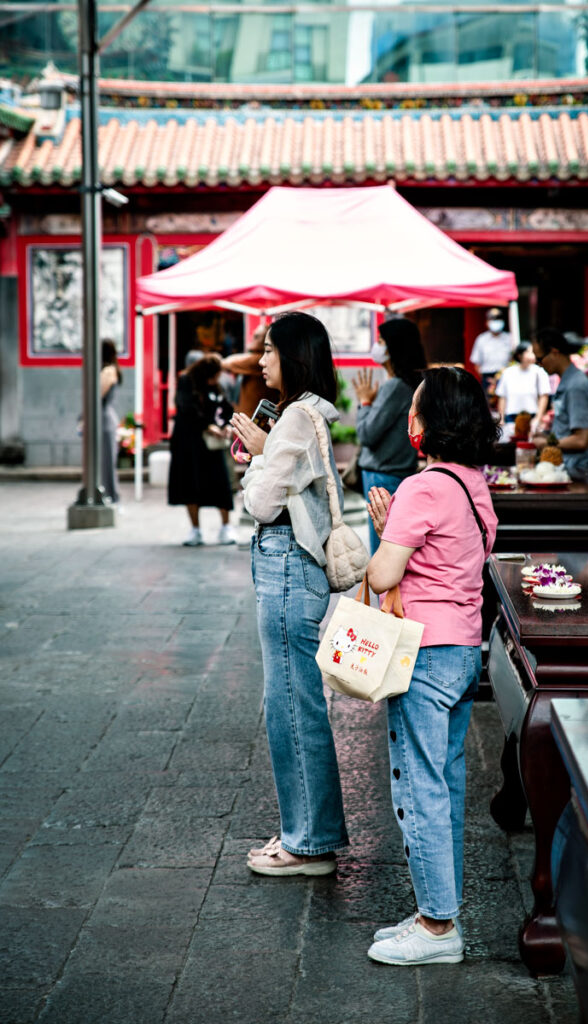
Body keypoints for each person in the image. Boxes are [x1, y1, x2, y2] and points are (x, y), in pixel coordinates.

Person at [364, 366, 498, 967]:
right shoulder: (473, 483)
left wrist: (385, 529)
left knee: (420, 787)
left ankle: (439, 928)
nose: (408, 419)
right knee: (445, 782)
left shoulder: (422, 487)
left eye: (415, 409)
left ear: (428, 422)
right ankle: (434, 910)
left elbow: (383, 574)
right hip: (464, 650)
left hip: (423, 652)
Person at [230, 311, 349, 876]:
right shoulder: (309, 416)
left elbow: (259, 503)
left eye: (271, 351)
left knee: (291, 705)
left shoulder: (298, 418)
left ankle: (309, 843)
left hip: (284, 562)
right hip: (294, 566)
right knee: (295, 700)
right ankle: (308, 834)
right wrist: (263, 450)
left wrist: (258, 454)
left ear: (295, 356)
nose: (262, 361)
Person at [352, 318, 425, 554]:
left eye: (381, 341)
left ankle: (384, 594)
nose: (377, 346)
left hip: (383, 476)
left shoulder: (394, 386)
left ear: (394, 347)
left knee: (383, 549)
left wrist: (364, 402)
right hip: (396, 473)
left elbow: (367, 434)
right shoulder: (409, 384)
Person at [168, 354, 236, 546]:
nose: (216, 380)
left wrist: (227, 425)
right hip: (188, 442)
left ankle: (226, 527)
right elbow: (185, 408)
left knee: (220, 483)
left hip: (210, 443)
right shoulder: (186, 381)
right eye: (214, 376)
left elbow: (226, 408)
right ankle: (195, 530)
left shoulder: (215, 386)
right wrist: (209, 426)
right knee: (190, 484)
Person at [531, 328, 588, 481]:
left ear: (555, 352)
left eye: (540, 359)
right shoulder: (569, 382)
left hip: (574, 471)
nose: (538, 364)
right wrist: (545, 435)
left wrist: (545, 443)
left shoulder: (576, 386)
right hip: (566, 469)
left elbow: (581, 440)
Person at [222, 324, 280, 417]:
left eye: (257, 337)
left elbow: (226, 363)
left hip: (252, 416)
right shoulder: (257, 358)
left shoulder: (257, 359)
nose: (253, 339)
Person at [496, 341, 551, 437]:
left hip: (532, 416)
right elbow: (502, 397)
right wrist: (501, 418)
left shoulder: (539, 372)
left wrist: (538, 418)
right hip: (511, 418)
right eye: (528, 352)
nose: (532, 355)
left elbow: (544, 396)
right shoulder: (508, 373)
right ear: (519, 355)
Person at [470, 308, 515, 396]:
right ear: (487, 322)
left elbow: (513, 359)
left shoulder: (509, 338)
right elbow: (476, 363)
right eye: (493, 319)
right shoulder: (481, 339)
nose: (496, 321)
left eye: (498, 318)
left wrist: (501, 376)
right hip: (487, 378)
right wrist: (488, 380)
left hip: (506, 376)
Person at [100, 339, 121, 506]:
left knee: (107, 461)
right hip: (101, 417)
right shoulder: (108, 370)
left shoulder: (108, 371)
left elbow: (97, 393)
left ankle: (112, 497)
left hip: (104, 418)